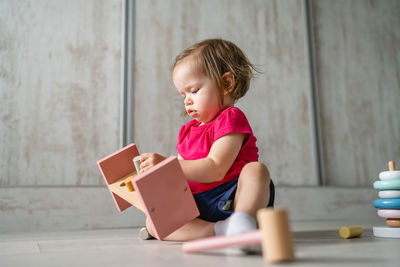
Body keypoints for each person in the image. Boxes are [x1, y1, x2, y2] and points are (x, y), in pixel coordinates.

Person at [139, 39, 274, 242]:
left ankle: (243, 219)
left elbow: (215, 168)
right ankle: (222, 230)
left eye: (194, 90)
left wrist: (168, 165)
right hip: (197, 203)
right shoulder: (187, 131)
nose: (187, 100)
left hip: (232, 195)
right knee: (153, 222)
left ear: (226, 84)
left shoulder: (230, 118)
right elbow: (180, 175)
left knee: (256, 170)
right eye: (183, 94)